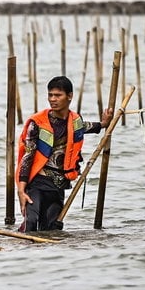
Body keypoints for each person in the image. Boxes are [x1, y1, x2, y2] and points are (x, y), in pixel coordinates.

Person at [17, 76, 112, 232]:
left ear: (69, 96)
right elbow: (27, 157)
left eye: (57, 95)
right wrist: (21, 190)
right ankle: (23, 254)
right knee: (30, 224)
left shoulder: (75, 121)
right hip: (37, 183)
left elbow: (87, 127)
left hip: (58, 185)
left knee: (53, 229)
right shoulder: (37, 123)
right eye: (50, 95)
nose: (52, 99)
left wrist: (103, 124)